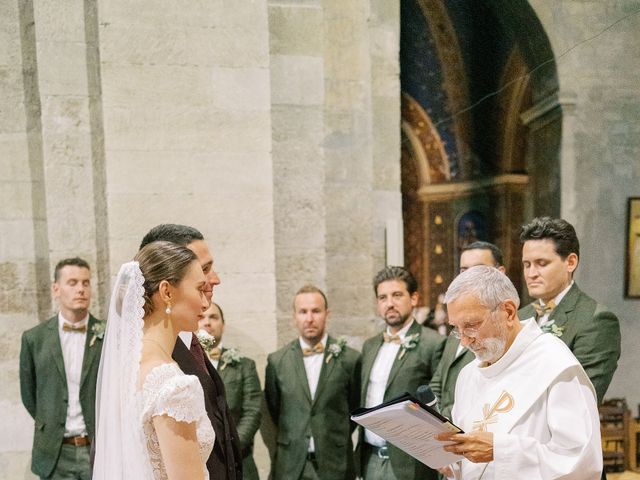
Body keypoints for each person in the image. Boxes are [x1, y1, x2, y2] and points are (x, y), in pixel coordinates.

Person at [436, 265, 602, 479]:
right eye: (457, 329)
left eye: (471, 325)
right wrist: (454, 464)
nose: (466, 340)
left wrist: (501, 450)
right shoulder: (468, 375)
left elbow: (583, 462)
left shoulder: (554, 362)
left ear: (508, 312)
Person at [93, 241, 213, 479]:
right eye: (199, 289)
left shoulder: (124, 372)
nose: (205, 302)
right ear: (167, 292)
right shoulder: (174, 385)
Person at [140, 223, 242, 479]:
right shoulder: (170, 382)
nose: (212, 283)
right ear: (167, 289)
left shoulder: (134, 357)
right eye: (203, 274)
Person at [518, 216, 621, 404]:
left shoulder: (596, 320)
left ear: (571, 262)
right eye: (527, 264)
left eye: (542, 263)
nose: (531, 273)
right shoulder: (519, 316)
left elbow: (581, 398)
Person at [265, 285, 361, 480]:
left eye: (316, 311)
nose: (309, 318)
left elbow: (355, 407)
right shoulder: (277, 361)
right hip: (291, 465)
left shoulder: (350, 359)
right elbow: (275, 409)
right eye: (303, 312)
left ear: (327, 314)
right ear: (294, 317)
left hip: (336, 464)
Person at [20, 257, 103, 480]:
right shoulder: (34, 339)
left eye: (86, 283)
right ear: (56, 289)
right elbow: (29, 395)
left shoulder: (106, 334)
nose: (81, 290)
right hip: (54, 452)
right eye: (73, 282)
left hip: (97, 448)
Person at [359, 266, 445, 480]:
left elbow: (441, 404)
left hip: (411, 464)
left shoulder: (433, 343)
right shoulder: (369, 346)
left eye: (397, 295)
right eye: (382, 298)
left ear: (413, 298)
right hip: (370, 458)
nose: (389, 303)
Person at [430, 241, 505, 420]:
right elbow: (439, 380)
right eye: (464, 271)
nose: (468, 278)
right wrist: (432, 417)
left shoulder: (502, 326)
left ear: (500, 274)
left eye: (478, 270)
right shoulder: (457, 324)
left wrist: (447, 419)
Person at [198, 302, 262, 480]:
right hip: (199, 461)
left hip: (240, 459)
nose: (207, 322)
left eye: (214, 317)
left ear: (223, 325)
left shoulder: (244, 366)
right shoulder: (181, 363)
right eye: (202, 317)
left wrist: (231, 447)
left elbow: (253, 411)